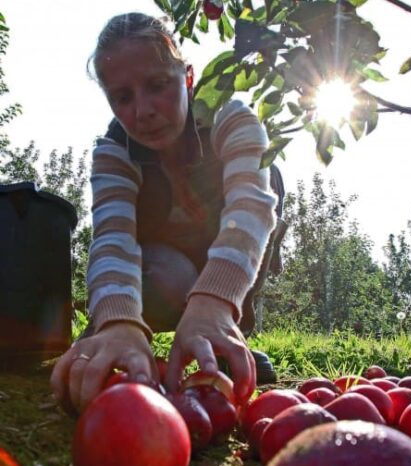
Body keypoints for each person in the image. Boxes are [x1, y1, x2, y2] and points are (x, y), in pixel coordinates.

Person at [50, 12, 286, 413]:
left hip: (221, 248)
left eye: (158, 86)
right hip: (165, 261)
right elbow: (112, 238)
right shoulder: (113, 152)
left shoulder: (231, 117)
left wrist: (212, 302)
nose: (143, 111)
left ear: (188, 79)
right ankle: (117, 338)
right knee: (166, 278)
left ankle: (227, 333)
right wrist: (117, 320)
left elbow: (252, 206)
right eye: (122, 97)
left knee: (270, 176)